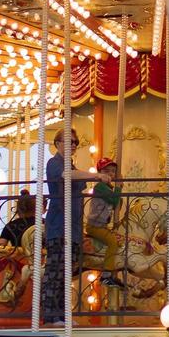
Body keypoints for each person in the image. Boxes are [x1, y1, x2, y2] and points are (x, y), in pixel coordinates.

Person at [41, 129, 98, 323]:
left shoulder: (72, 166)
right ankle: (50, 314)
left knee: (67, 273)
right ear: (57, 143)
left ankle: (62, 313)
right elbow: (67, 175)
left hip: (72, 228)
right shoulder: (55, 163)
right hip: (59, 226)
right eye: (69, 141)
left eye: (75, 142)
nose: (73, 144)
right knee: (56, 269)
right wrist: (97, 176)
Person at [85, 158, 125, 286]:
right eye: (106, 171)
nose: (110, 173)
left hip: (102, 225)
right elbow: (114, 201)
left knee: (117, 241)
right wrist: (118, 188)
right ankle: (106, 276)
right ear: (100, 172)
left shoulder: (108, 188)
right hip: (95, 226)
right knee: (113, 242)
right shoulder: (100, 187)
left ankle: (112, 270)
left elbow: (115, 204)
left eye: (113, 171)